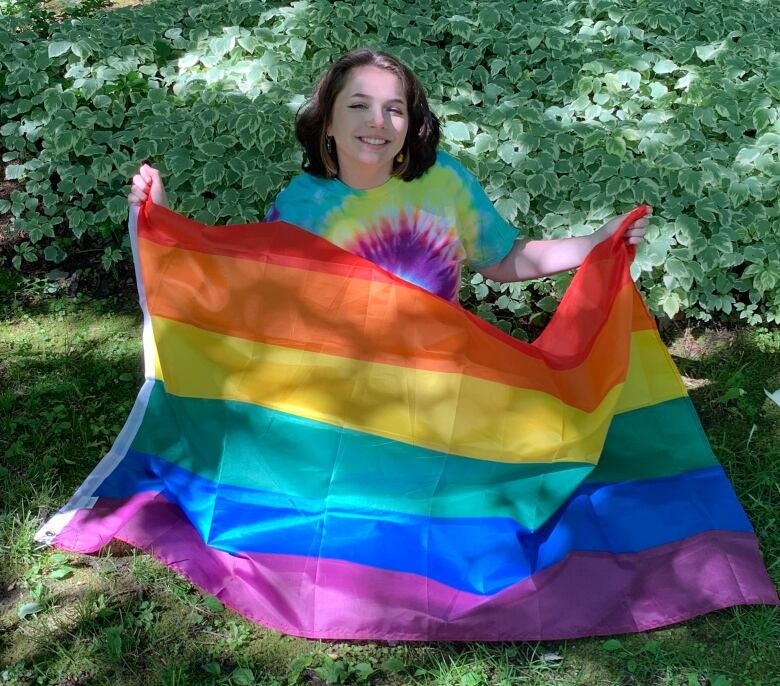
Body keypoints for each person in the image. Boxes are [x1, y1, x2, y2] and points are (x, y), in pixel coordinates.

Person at [128, 48, 650, 301]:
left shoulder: (444, 182)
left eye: (394, 109)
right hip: (338, 401)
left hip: (441, 383)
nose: (377, 123)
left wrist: (595, 242)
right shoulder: (301, 205)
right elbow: (247, 292)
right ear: (327, 122)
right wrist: (166, 222)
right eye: (359, 106)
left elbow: (504, 259)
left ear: (411, 123)